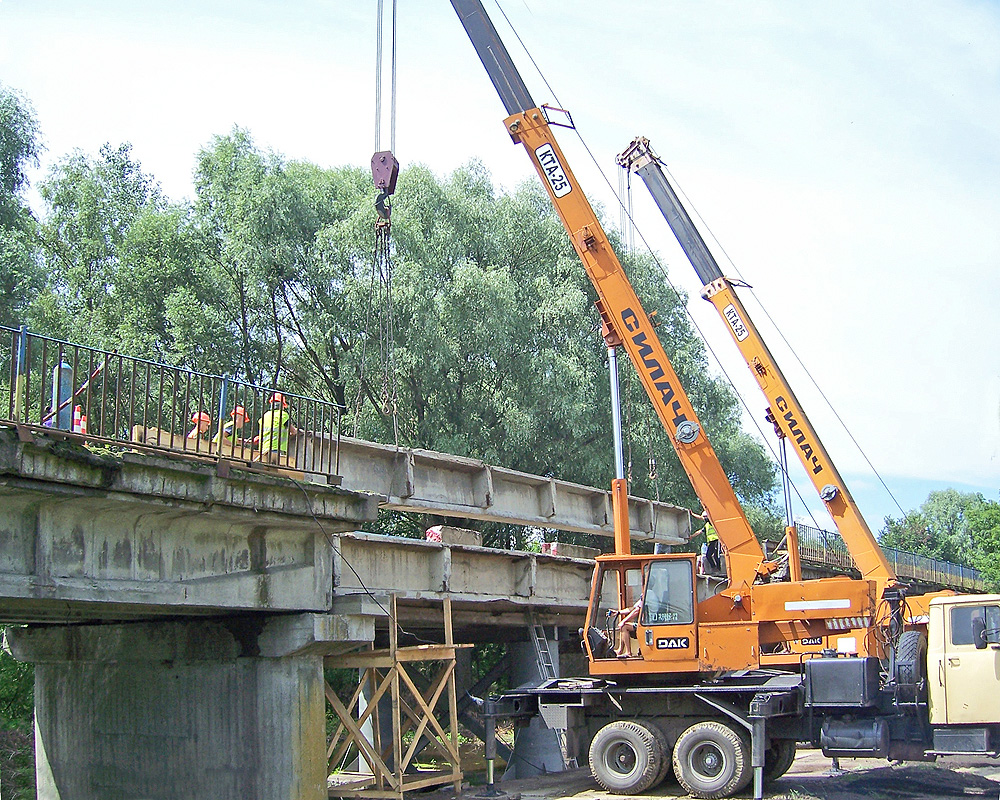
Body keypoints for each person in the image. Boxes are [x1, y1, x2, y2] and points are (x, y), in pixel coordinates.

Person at [255, 392, 298, 464]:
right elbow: (293, 431)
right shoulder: (283, 415)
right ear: (282, 405)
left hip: (263, 449)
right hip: (276, 448)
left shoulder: (265, 415)